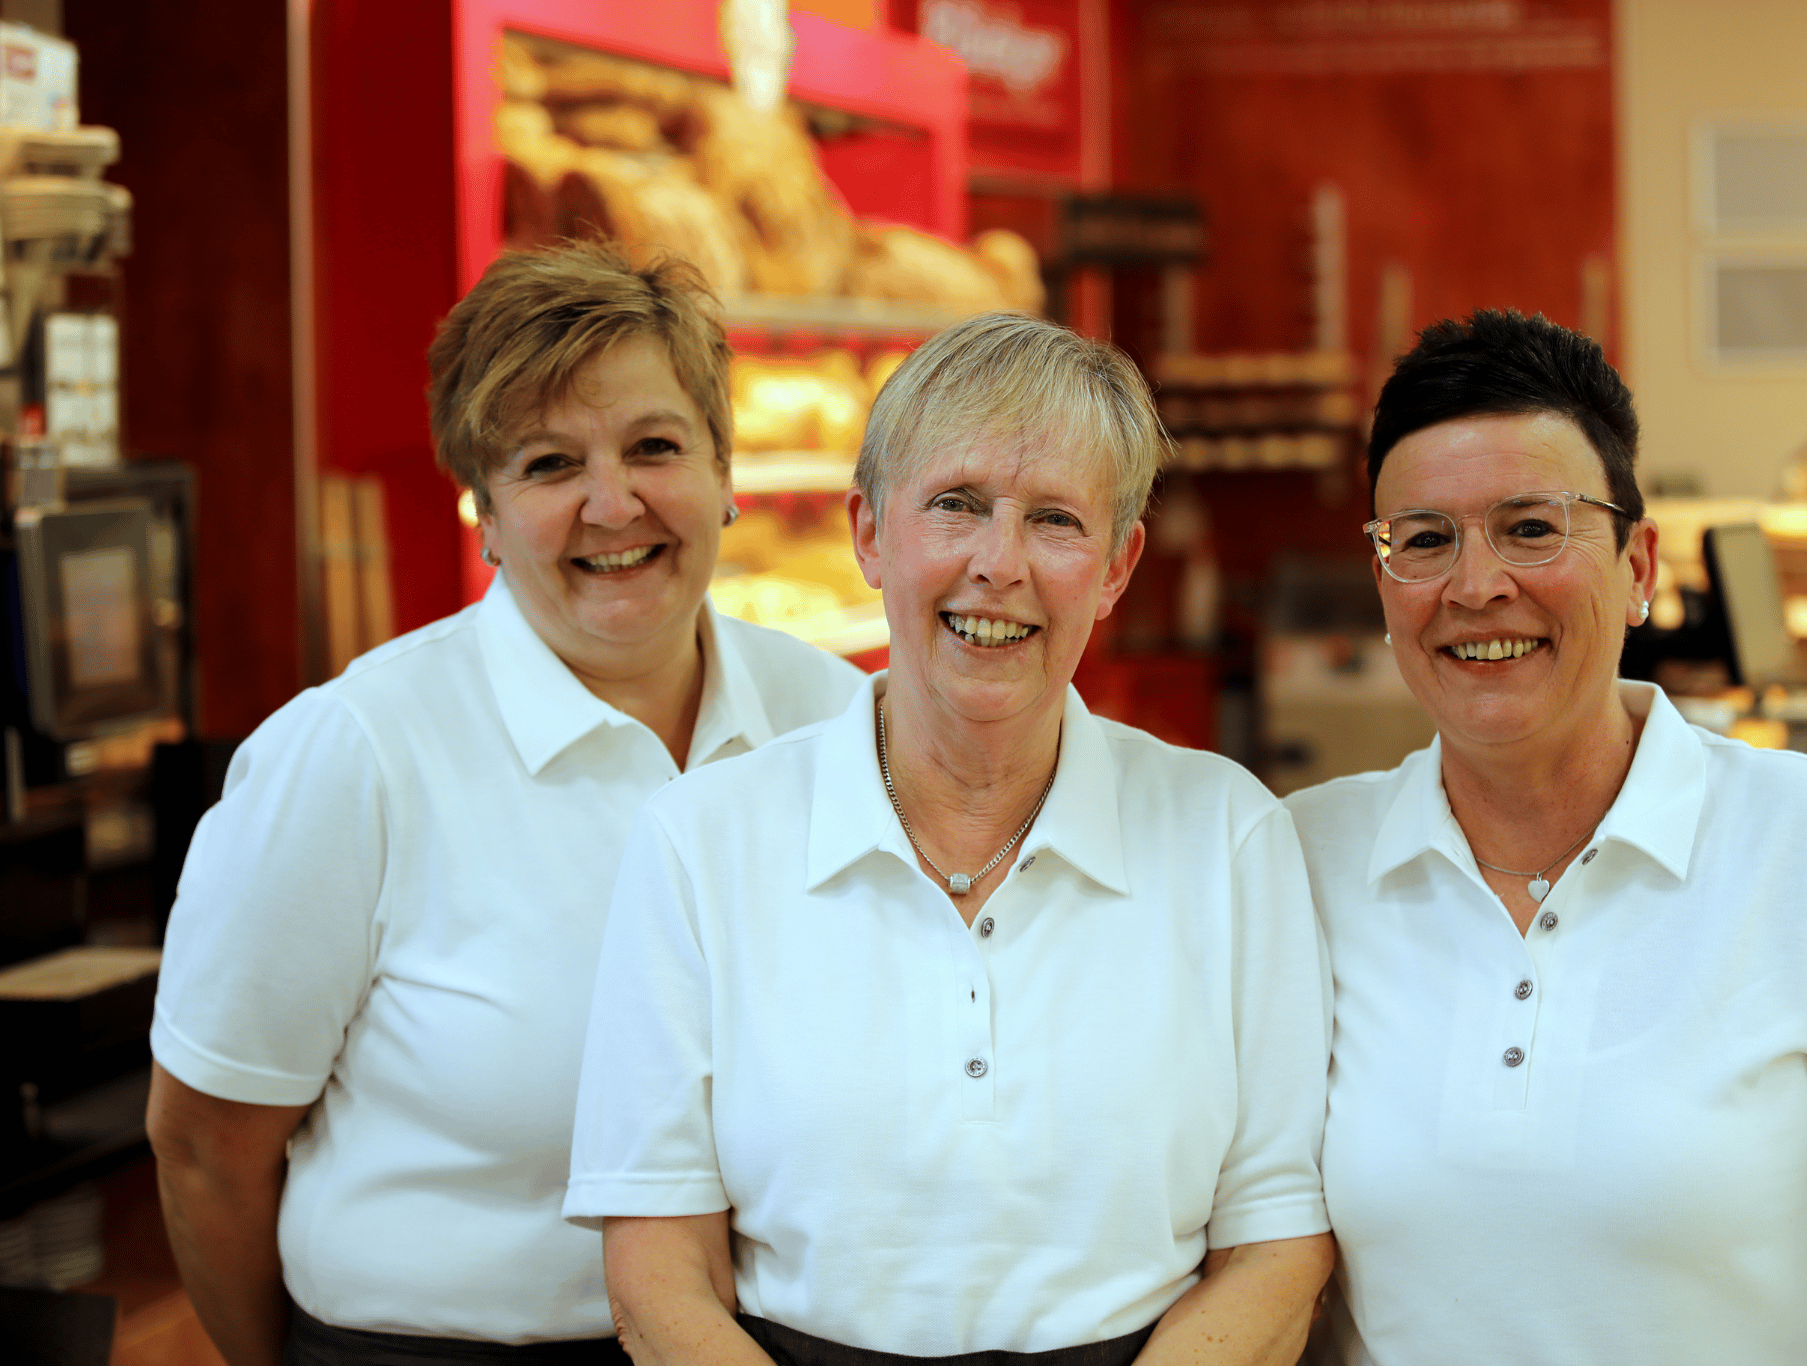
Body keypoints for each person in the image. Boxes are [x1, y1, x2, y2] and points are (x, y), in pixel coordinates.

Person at [565, 312, 1333, 1366]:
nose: (997, 564)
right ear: (870, 534)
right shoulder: (701, 842)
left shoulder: (1228, 835)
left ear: (1116, 566)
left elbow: (1275, 1246)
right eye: (955, 506)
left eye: (1055, 521)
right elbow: (656, 1268)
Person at [146, 242, 865, 1365]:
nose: (611, 502)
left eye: (654, 447)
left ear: (727, 471)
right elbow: (202, 1146)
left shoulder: (833, 719)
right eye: (546, 464)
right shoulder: (354, 754)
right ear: (481, 508)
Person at [1285, 308, 1807, 1365]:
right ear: (1384, 581)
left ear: (1637, 567)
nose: (1474, 586)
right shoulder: (1299, 860)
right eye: (1423, 538)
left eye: (1530, 527)